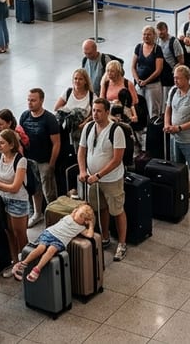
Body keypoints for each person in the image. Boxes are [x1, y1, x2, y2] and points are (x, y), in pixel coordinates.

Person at [77, 98, 129, 261]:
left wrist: (98, 175)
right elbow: (81, 151)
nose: (95, 114)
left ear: (107, 112)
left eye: (99, 111)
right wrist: (83, 170)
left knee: (117, 210)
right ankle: (105, 237)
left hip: (111, 179)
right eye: (93, 110)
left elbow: (116, 159)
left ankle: (122, 243)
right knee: (101, 208)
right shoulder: (88, 127)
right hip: (92, 179)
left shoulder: (116, 131)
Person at [13, 204, 95, 282]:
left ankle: (37, 268)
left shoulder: (81, 228)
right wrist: (77, 212)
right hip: (50, 233)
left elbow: (90, 235)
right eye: (78, 213)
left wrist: (91, 225)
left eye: (81, 216)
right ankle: (23, 263)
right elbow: (75, 212)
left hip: (59, 241)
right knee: (41, 248)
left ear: (85, 221)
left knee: (51, 251)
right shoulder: (69, 217)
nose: (77, 215)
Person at [163, 66, 190, 210]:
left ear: (187, 79)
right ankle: (185, 191)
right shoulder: (173, 91)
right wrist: (167, 124)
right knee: (179, 168)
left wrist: (180, 128)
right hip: (175, 138)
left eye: (178, 78)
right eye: (174, 77)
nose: (175, 80)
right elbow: (168, 109)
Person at [0, 127, 31, 278]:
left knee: (20, 233)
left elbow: (15, 187)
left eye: (2, 143)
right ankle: (15, 262)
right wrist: (4, 186)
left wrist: (0, 185)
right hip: (3, 200)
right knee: (8, 233)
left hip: (18, 201)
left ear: (11, 145)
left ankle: (26, 262)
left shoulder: (21, 161)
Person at [18, 90, 61, 227]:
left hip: (44, 161)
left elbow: (56, 143)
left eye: (33, 100)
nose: (30, 103)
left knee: (49, 191)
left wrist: (51, 164)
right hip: (30, 161)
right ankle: (38, 213)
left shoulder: (49, 119)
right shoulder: (24, 116)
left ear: (41, 101)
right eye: (28, 100)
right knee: (34, 189)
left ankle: (54, 219)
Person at [131, 26, 165, 119]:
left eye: (149, 35)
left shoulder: (157, 49)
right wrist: (137, 80)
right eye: (144, 34)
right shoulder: (138, 47)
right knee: (139, 109)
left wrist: (146, 81)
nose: (146, 37)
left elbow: (158, 70)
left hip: (153, 86)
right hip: (139, 85)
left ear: (154, 36)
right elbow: (133, 67)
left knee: (153, 110)